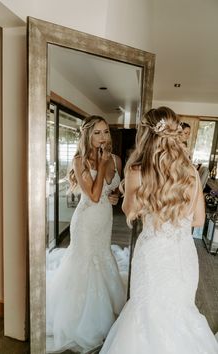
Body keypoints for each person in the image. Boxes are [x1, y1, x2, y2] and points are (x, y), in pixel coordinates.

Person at [100, 107, 218, 354]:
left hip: (152, 254)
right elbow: (197, 220)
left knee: (147, 313)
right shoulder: (191, 174)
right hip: (182, 255)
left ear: (145, 134)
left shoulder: (137, 171)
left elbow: (130, 212)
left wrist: (130, 190)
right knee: (180, 310)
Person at [46, 115, 125, 352]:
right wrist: (100, 166)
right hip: (86, 220)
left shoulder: (117, 160)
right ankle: (82, 321)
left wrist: (115, 196)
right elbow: (92, 195)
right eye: (97, 133)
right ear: (87, 135)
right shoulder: (79, 160)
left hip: (105, 220)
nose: (103, 138)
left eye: (106, 132)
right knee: (84, 263)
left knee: (102, 258)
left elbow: (113, 192)